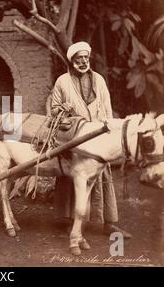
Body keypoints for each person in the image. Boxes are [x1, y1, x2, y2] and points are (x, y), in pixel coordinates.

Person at [51, 41, 132, 238]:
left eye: (85, 58)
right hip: (74, 137)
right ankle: (68, 221)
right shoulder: (62, 81)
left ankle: (109, 223)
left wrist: (108, 127)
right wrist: (63, 110)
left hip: (98, 136)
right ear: (72, 62)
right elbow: (53, 109)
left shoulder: (99, 80)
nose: (83, 61)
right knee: (70, 174)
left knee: (104, 176)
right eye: (78, 59)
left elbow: (107, 109)